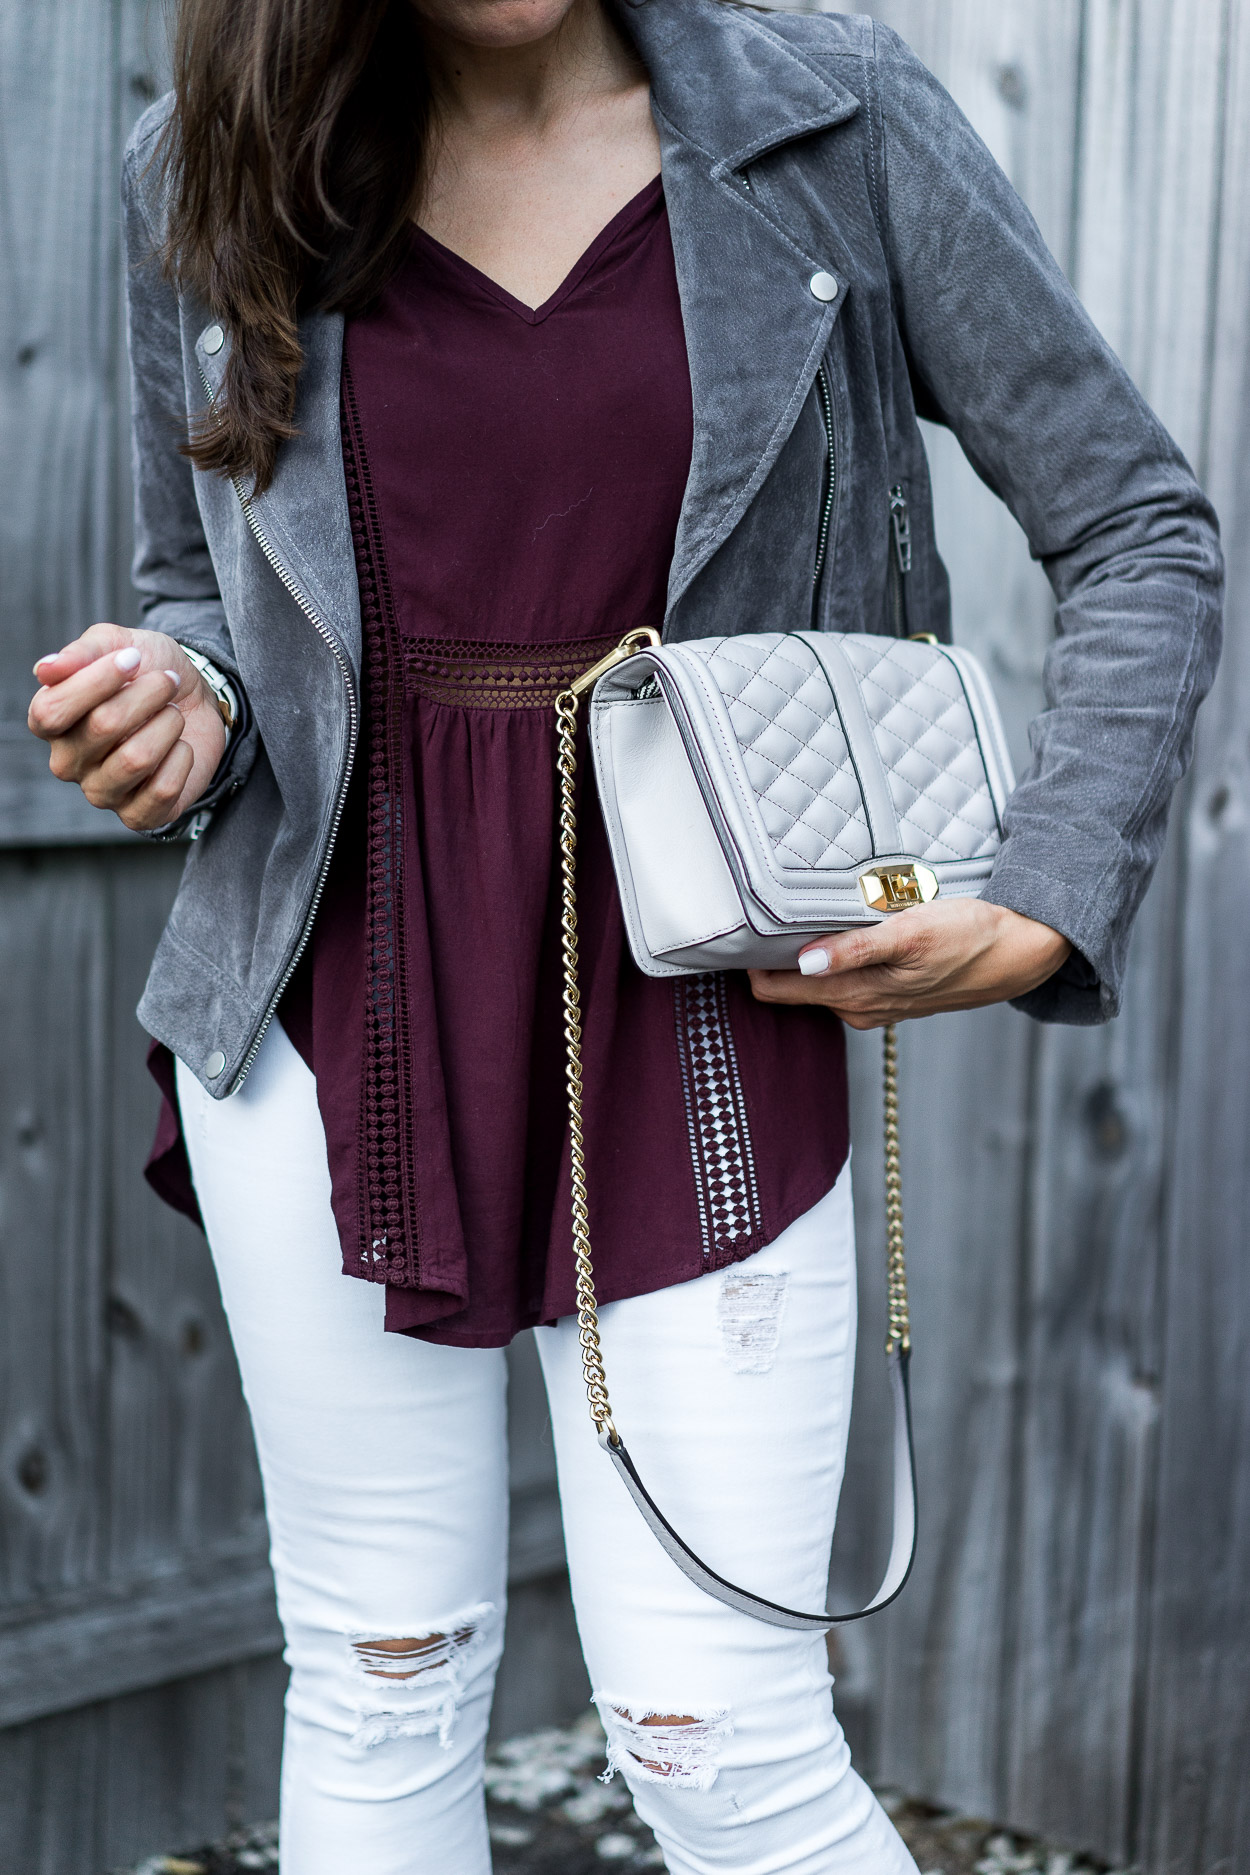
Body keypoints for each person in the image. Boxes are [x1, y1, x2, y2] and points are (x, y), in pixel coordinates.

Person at [27, 0, 1220, 1869]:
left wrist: (1047, 885)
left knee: (716, 1742)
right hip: (321, 1000)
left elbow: (1137, 525)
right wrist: (181, 694)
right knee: (378, 1676)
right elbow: (204, 590)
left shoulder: (831, 119)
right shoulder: (201, 172)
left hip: (701, 1011)